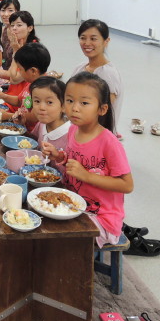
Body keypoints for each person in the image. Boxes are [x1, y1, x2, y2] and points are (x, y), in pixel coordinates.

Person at [41, 72, 134, 249]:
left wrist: (86, 176)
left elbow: (127, 185)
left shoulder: (109, 142)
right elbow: (77, 160)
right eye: (69, 101)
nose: (75, 108)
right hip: (73, 202)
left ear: (102, 109)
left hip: (102, 217)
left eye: (84, 103)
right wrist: (59, 156)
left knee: (54, 236)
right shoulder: (73, 130)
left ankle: (68, 274)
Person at [72, 19, 122, 135]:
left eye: (93, 38)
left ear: (106, 41)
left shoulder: (108, 74)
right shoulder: (79, 68)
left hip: (96, 135)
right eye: (83, 38)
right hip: (78, 130)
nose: (87, 43)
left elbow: (104, 113)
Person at [0, 42, 50, 129]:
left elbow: (34, 117)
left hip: (31, 134)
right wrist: (3, 96)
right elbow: (19, 101)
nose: (19, 73)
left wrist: (8, 115)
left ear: (33, 71)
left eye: (21, 69)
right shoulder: (31, 83)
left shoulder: (43, 89)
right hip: (21, 126)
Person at [29, 76, 70, 173]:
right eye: (37, 101)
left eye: (49, 102)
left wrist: (58, 156)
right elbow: (32, 143)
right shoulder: (41, 124)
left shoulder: (71, 135)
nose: (42, 107)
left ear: (63, 106)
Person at [0, 10, 39, 83]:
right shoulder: (17, 44)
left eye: (19, 25)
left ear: (30, 28)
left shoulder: (33, 50)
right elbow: (9, 74)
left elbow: (14, 79)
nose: (14, 28)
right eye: (12, 25)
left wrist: (16, 51)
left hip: (25, 92)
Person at [0, 0, 21, 70]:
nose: (6, 14)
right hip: (4, 68)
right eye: (3, 10)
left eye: (10, 10)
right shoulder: (3, 30)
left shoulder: (21, 32)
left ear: (17, 11)